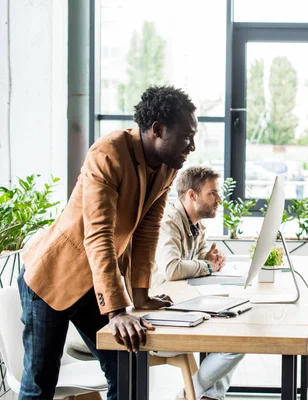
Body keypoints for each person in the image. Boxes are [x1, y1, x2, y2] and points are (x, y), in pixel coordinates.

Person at [18, 85, 197, 400]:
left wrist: (140, 296)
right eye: (186, 136)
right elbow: (98, 232)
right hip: (52, 277)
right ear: (158, 130)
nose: (192, 145)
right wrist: (117, 312)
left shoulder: (168, 166)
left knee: (127, 373)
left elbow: (147, 228)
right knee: (39, 385)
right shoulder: (108, 152)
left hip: (96, 281)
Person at [153, 165, 244, 400]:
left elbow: (202, 257)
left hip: (184, 302)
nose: (219, 199)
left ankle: (204, 396)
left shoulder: (195, 223)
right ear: (191, 196)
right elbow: (172, 268)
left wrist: (210, 259)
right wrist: (207, 265)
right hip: (161, 311)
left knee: (237, 323)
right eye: (212, 193)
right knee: (238, 338)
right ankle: (191, 393)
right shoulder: (169, 221)